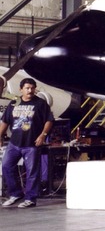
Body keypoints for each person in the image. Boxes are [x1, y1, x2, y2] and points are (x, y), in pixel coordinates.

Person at [0, 78, 55, 208]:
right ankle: (15, 194)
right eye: (27, 88)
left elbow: (49, 120)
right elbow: (5, 121)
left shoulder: (41, 104)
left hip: (32, 144)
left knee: (32, 172)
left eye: (32, 88)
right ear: (21, 89)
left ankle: (30, 198)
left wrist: (43, 135)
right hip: (14, 143)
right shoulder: (14, 102)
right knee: (6, 166)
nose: (30, 91)